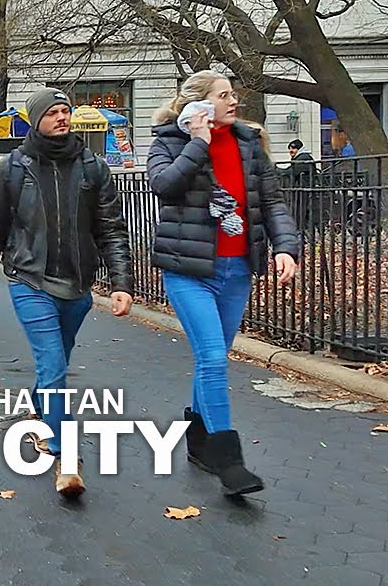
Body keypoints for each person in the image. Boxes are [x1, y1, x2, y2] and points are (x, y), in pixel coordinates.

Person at [0, 87, 134, 500]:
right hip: (30, 280)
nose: (62, 118)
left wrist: (120, 283)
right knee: (54, 364)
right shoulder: (13, 169)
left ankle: (44, 408)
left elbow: (111, 228)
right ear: (37, 119)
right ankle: (66, 457)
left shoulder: (92, 167)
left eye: (66, 111)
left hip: (76, 285)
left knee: (54, 366)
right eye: (54, 112)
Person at [147, 69, 301, 497]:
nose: (233, 102)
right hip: (190, 270)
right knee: (213, 357)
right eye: (223, 95)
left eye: (234, 94)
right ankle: (229, 460)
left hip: (237, 271)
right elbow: (164, 186)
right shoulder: (170, 142)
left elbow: (271, 202)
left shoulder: (248, 143)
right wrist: (198, 142)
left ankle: (196, 439)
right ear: (198, 104)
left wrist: (285, 247)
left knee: (212, 358)